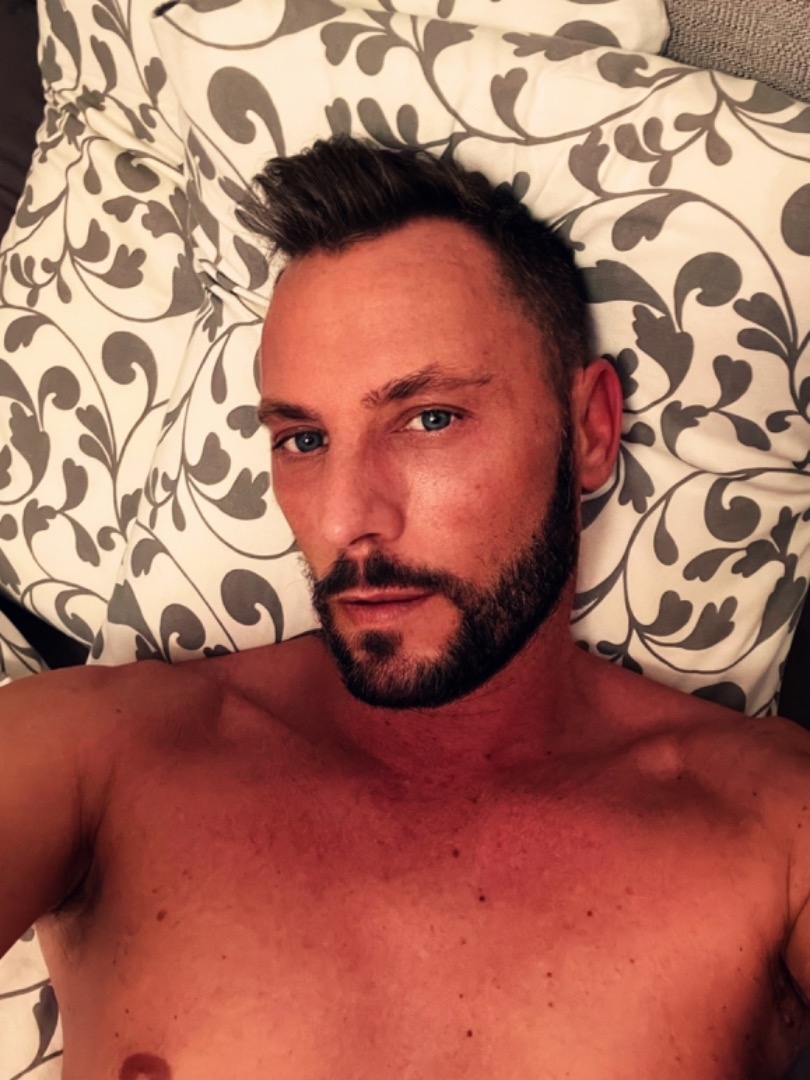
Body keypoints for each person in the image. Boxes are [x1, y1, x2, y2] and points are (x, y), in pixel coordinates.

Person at [1, 135, 809, 1080]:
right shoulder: (106, 756)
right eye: (304, 439)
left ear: (590, 430)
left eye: (429, 419)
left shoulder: (768, 822)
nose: (347, 519)